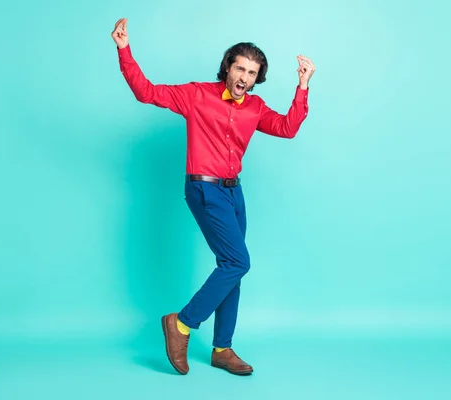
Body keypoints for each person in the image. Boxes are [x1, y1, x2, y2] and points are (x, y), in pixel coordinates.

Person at [111, 17, 315, 376]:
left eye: (252, 73)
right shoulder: (197, 95)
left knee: (231, 268)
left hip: (234, 193)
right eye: (240, 68)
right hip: (203, 188)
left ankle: (222, 348)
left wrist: (302, 86)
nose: (244, 78)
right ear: (228, 67)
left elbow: (287, 128)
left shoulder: (254, 107)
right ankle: (183, 324)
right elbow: (146, 91)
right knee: (237, 262)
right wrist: (125, 49)